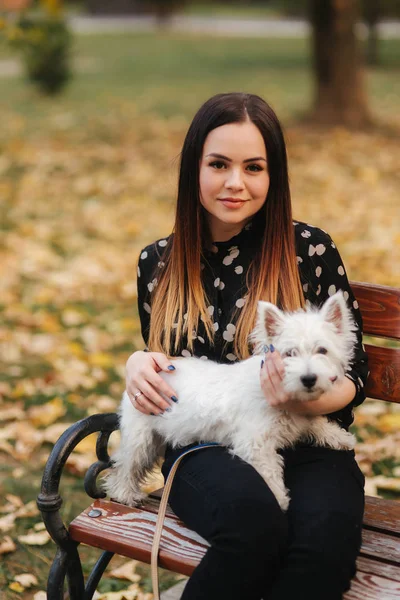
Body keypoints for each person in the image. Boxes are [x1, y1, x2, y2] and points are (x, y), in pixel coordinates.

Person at [126, 93, 368, 600]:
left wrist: (301, 398)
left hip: (308, 438)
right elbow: (168, 362)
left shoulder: (311, 249)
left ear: (272, 175)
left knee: (321, 546)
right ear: (194, 168)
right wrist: (137, 362)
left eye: (253, 167)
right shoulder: (159, 261)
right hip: (203, 445)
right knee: (253, 530)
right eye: (218, 164)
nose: (235, 182)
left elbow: (355, 377)